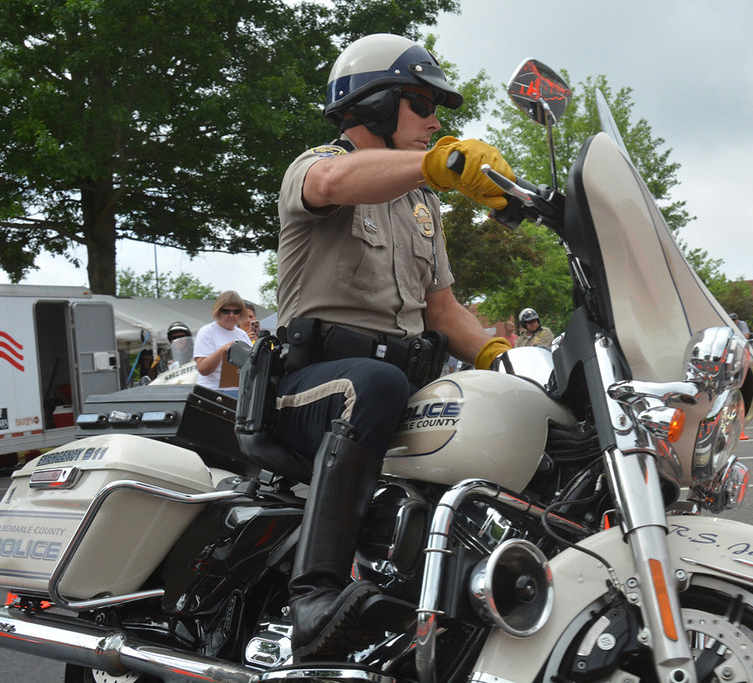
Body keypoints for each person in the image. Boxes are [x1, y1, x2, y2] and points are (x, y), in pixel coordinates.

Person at [272, 34, 514, 660]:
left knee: (495, 411)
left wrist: (502, 364)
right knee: (372, 385)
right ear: (373, 104)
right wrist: (437, 162)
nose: (435, 121)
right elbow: (334, 182)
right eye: (420, 102)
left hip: (395, 390)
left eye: (437, 108)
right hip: (311, 388)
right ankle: (316, 598)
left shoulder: (421, 204)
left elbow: (444, 311)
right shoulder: (317, 165)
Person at [193, 291, 253, 394]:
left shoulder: (242, 334)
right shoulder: (207, 332)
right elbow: (203, 369)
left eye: (236, 312)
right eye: (226, 311)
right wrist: (223, 350)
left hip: (240, 390)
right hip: (212, 390)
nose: (231, 315)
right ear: (218, 311)